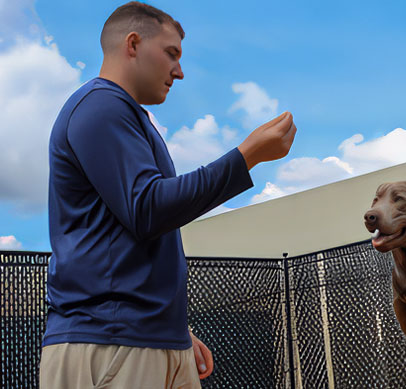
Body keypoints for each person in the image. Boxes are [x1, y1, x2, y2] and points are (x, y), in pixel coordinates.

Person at [39, 2, 296, 388]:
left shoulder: (126, 116)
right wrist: (247, 157)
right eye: (171, 53)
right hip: (110, 342)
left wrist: (172, 329)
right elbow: (148, 209)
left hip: (146, 340)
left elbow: (133, 233)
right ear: (132, 44)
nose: (179, 71)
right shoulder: (99, 106)